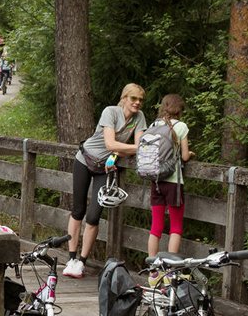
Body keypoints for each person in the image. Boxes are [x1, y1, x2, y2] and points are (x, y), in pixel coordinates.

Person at [63, 83, 148, 279]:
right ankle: (71, 257)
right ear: (125, 98)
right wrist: (132, 148)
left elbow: (138, 143)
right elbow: (112, 143)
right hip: (85, 159)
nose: (137, 103)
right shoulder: (110, 112)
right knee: (78, 210)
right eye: (134, 98)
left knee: (94, 215)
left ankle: (82, 262)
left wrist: (124, 149)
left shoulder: (139, 118)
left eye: (140, 100)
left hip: (105, 168)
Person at [148, 94, 193, 258]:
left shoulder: (154, 124)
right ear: (180, 110)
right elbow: (185, 156)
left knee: (156, 226)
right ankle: (169, 270)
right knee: (175, 227)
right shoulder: (181, 127)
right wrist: (191, 154)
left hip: (156, 180)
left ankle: (152, 268)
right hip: (174, 182)